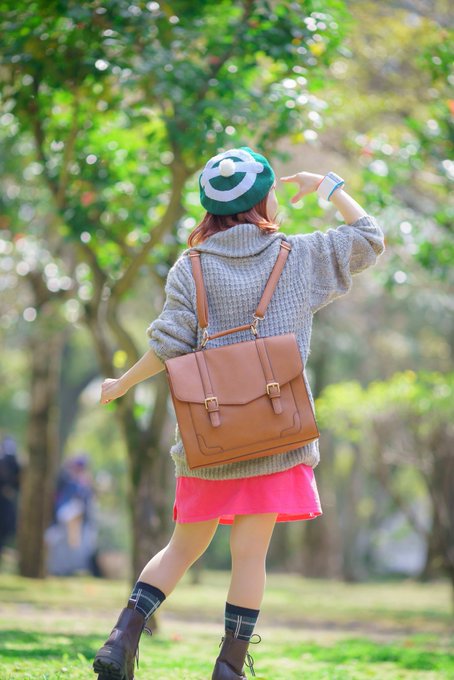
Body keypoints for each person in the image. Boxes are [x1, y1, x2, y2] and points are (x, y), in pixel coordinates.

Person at [93, 146, 385, 679]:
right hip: (276, 434)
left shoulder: (190, 267)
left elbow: (167, 345)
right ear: (263, 199)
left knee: (182, 548)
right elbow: (369, 237)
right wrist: (326, 185)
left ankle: (121, 639)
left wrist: (123, 383)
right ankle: (229, 666)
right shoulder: (298, 255)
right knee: (250, 556)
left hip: (211, 437)